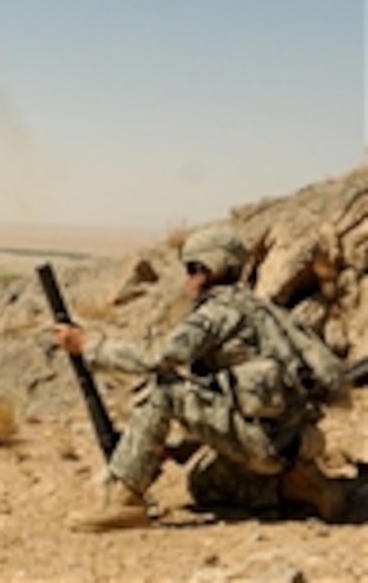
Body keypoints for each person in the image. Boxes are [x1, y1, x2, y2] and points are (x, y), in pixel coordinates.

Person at [53, 224, 347, 531]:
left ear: (211, 269)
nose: (188, 278)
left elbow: (158, 356)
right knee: (202, 484)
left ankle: (125, 502)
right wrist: (178, 446)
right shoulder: (264, 310)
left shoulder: (216, 313)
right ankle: (299, 485)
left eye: (193, 268)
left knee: (164, 388)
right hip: (295, 440)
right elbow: (224, 392)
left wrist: (89, 346)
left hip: (264, 442)